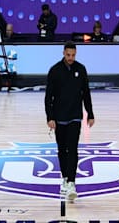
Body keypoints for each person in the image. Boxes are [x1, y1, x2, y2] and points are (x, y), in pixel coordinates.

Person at [43, 42, 95, 203]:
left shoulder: (81, 69)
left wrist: (90, 114)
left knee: (72, 149)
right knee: (62, 150)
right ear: (64, 53)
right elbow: (48, 97)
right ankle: (65, 177)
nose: (71, 58)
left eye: (73, 55)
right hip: (59, 118)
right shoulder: (55, 70)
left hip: (75, 116)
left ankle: (71, 182)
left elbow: (86, 92)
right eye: (68, 55)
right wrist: (50, 117)